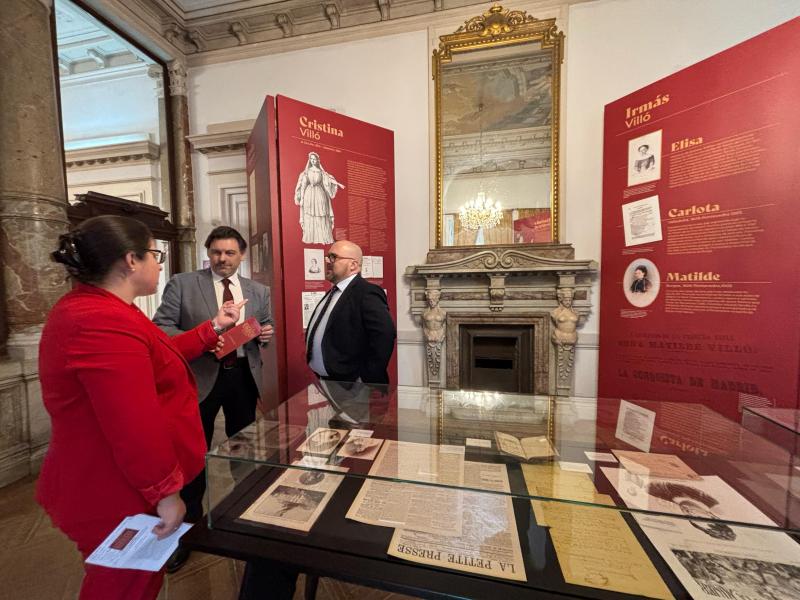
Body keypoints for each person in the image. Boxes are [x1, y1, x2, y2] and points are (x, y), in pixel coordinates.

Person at [37, 215, 244, 599]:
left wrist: (212, 327)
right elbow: (132, 422)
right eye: (154, 254)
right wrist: (166, 494)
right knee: (124, 585)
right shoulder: (99, 321)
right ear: (131, 260)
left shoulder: (109, 309)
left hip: (120, 481)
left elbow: (159, 355)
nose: (159, 263)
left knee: (136, 581)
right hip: (115, 488)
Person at [153, 225, 274, 571]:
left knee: (245, 448)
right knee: (193, 456)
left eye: (230, 253)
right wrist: (208, 333)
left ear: (241, 256)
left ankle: (243, 514)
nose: (223, 259)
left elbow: (263, 327)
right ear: (208, 253)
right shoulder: (182, 283)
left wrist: (265, 333)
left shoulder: (258, 290)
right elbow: (162, 329)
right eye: (217, 252)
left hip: (242, 381)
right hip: (198, 380)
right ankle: (188, 528)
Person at [305, 240, 396, 383]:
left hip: (353, 386)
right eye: (327, 257)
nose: (327, 261)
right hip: (329, 382)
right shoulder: (333, 293)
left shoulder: (367, 292)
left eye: (333, 257)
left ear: (353, 265)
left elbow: (385, 335)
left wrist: (365, 378)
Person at [294, 152, 344, 244]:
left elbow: (329, 180)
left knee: (321, 214)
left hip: (320, 194)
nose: (313, 160)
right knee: (310, 215)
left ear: (317, 160)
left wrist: (337, 184)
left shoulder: (322, 173)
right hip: (309, 195)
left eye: (314, 159)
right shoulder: (306, 172)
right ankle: (311, 237)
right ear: (310, 160)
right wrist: (302, 199)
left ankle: (322, 237)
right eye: (311, 159)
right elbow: (303, 185)